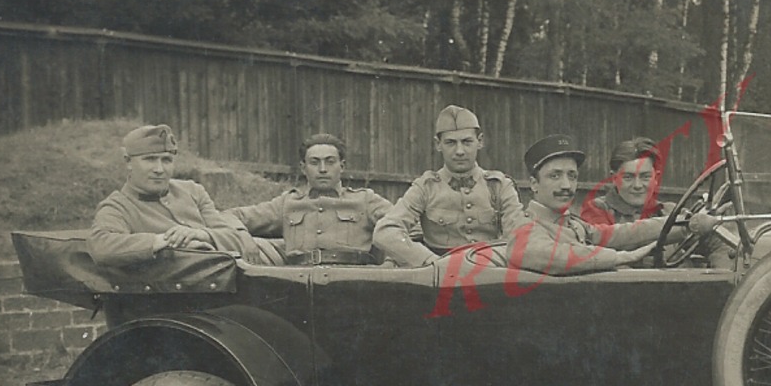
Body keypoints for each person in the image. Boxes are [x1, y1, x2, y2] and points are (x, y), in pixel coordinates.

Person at [88, 124, 281, 267]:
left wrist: (201, 234)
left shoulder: (192, 191)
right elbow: (101, 246)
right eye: (150, 160)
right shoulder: (117, 207)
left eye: (167, 160)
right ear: (128, 162)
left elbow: (230, 235)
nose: (159, 169)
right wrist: (162, 240)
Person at [374, 105, 528, 268]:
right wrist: (431, 262)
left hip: (488, 275)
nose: (459, 151)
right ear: (438, 144)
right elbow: (385, 231)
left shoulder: (499, 186)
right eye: (450, 143)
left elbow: (519, 236)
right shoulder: (426, 187)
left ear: (480, 141)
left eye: (467, 142)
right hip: (440, 280)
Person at [508, 134, 668, 276]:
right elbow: (555, 255)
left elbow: (622, 233)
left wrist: (682, 223)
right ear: (534, 184)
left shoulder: (575, 225)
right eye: (555, 176)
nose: (566, 185)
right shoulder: (525, 228)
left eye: (572, 176)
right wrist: (623, 257)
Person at [228, 133, 393, 265]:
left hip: (352, 282)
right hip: (299, 283)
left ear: (341, 166)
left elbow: (406, 224)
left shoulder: (365, 200)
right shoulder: (288, 203)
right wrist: (244, 237)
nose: (322, 169)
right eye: (314, 162)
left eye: (330, 162)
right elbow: (228, 217)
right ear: (303, 168)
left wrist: (390, 261)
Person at [581, 136, 667, 228]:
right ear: (614, 178)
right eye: (628, 177)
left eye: (645, 177)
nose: (637, 185)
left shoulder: (666, 211)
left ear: (656, 178)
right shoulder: (597, 209)